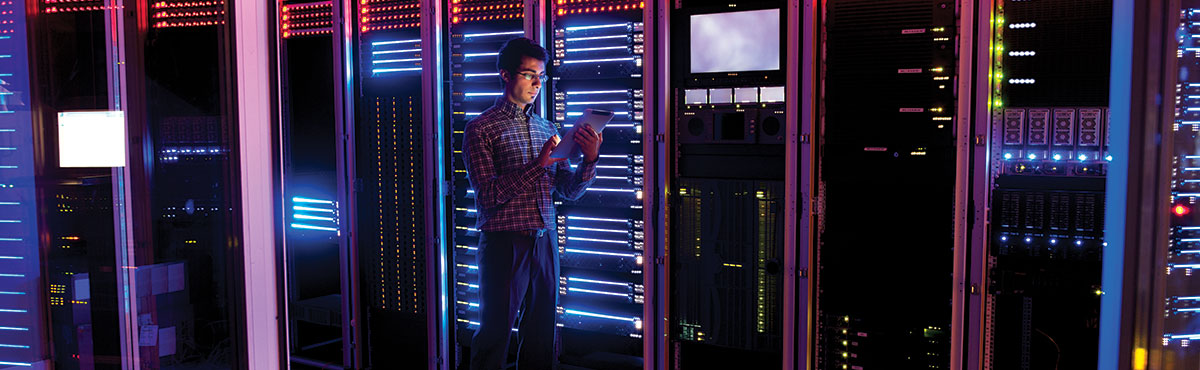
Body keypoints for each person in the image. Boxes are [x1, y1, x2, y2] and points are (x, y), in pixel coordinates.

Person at [462, 37, 603, 370]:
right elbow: (487, 196)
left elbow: (568, 191)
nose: (537, 83)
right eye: (529, 74)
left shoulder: (547, 128)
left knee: (541, 337)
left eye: (541, 75)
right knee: (494, 335)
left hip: (545, 241)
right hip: (504, 243)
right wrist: (538, 165)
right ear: (505, 74)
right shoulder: (480, 129)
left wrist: (589, 160)